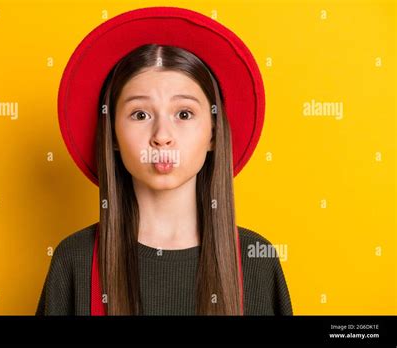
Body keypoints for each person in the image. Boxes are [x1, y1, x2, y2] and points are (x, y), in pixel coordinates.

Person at [36, 7, 292, 316]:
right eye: (140, 114)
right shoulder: (73, 260)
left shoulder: (257, 262)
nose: (162, 136)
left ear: (213, 133)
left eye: (184, 114)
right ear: (113, 135)